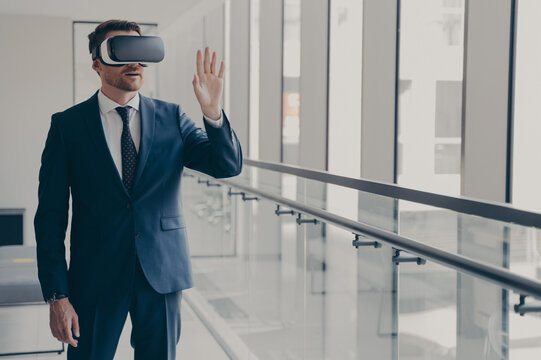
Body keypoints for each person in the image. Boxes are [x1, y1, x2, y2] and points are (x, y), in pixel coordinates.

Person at [34, 19, 242, 360]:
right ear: (97, 64)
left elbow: (227, 165)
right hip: (94, 278)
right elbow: (50, 218)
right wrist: (57, 295)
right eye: (121, 51)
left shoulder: (172, 118)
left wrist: (212, 111)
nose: (134, 62)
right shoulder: (67, 126)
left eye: (140, 52)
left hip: (161, 274)